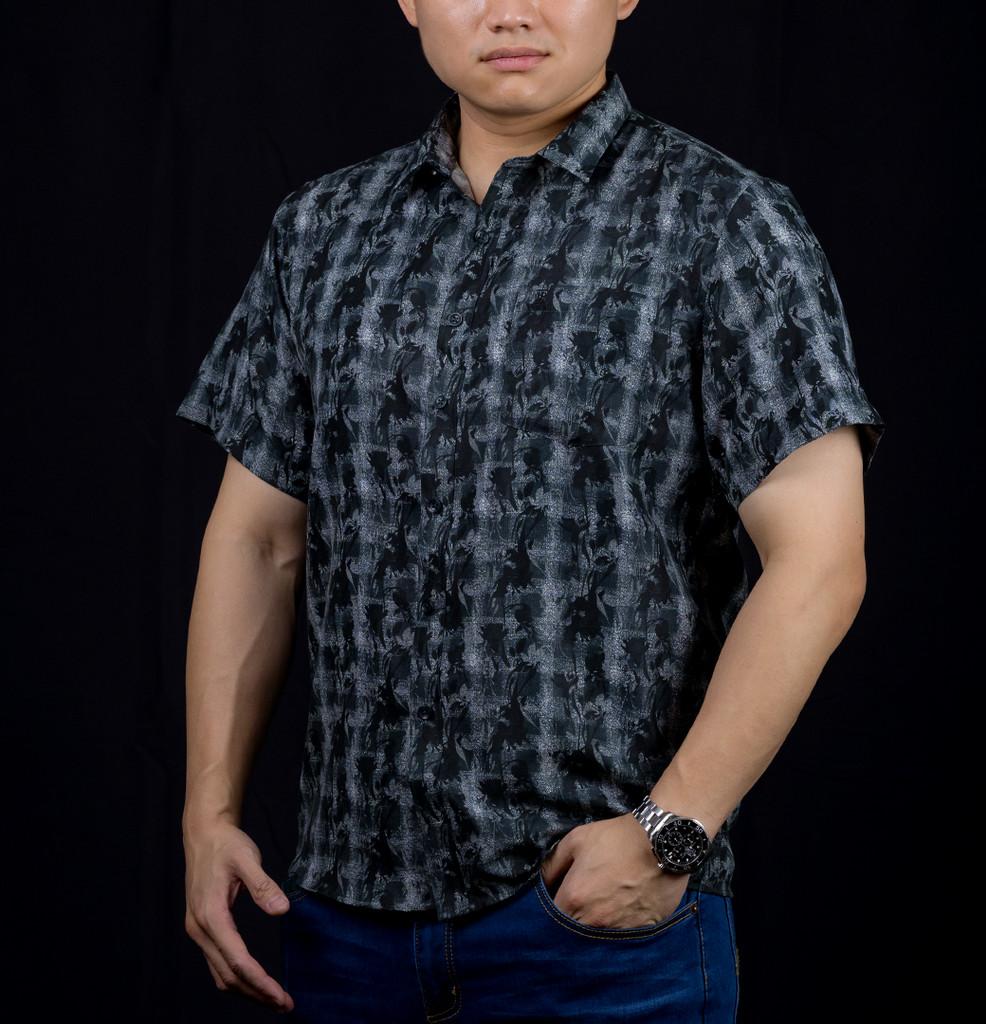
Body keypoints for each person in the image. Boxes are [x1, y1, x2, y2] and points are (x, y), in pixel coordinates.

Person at [176, 2, 886, 1021]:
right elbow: (258, 540)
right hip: (345, 922)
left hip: (601, 927)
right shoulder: (322, 230)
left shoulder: (724, 222)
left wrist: (670, 831)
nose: (510, 10)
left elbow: (820, 560)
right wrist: (208, 814)